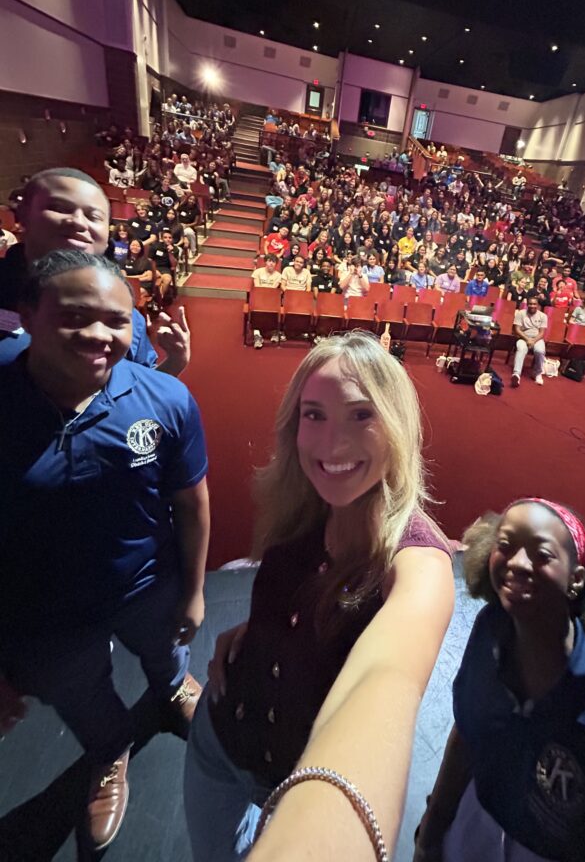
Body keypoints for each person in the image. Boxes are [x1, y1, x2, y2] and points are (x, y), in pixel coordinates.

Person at [183, 332, 455, 861]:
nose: (331, 445)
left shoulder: (419, 563)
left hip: (290, 781)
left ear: (398, 426)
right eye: (314, 415)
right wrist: (258, 633)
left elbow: (387, 680)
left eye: (361, 416)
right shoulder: (304, 509)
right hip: (217, 739)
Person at [0, 252, 209, 851]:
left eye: (117, 321)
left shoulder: (165, 398)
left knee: (165, 654)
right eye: (75, 316)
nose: (99, 334)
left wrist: (193, 591)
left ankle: (171, 689)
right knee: (85, 698)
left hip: (148, 585)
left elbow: (192, 502)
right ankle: (111, 752)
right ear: (28, 315)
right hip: (40, 618)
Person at [414, 499, 585, 862]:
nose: (518, 563)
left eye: (541, 554)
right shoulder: (489, 629)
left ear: (576, 580)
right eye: (505, 546)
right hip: (475, 822)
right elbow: (467, 732)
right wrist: (433, 827)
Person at [0, 169, 190, 374]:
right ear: (23, 218)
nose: (78, 222)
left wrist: (175, 362)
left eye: (93, 215)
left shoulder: (125, 312)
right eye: (58, 208)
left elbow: (143, 385)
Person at [512, 295, 548, 388]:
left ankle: (537, 373)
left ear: (538, 305)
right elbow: (517, 329)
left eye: (534, 304)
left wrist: (533, 340)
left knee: (540, 351)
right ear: (527, 305)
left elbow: (542, 332)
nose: (532, 306)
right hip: (523, 337)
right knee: (521, 349)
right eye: (530, 304)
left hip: (537, 338)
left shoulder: (543, 316)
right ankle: (516, 374)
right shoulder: (520, 313)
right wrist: (527, 339)